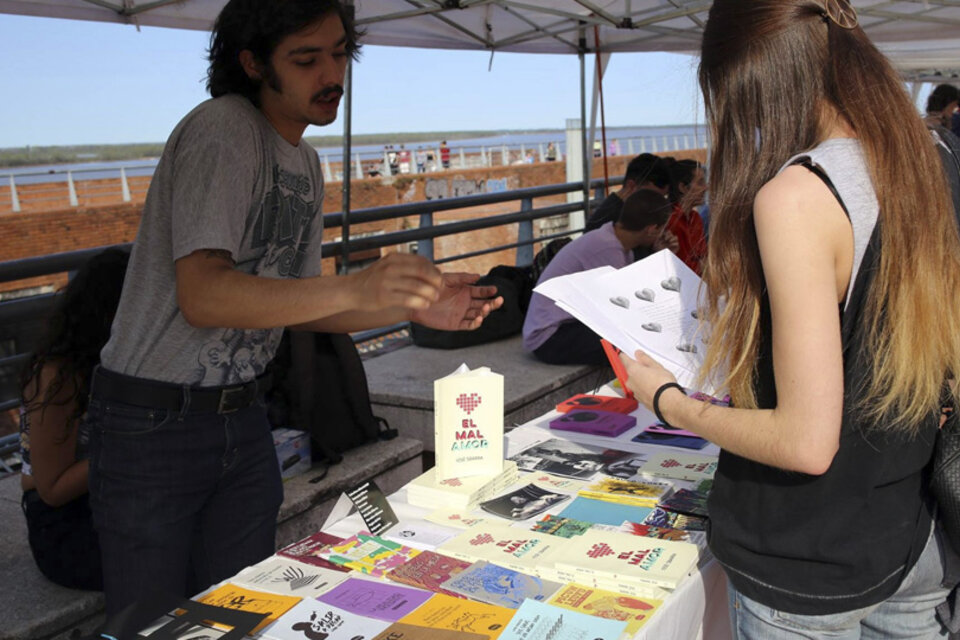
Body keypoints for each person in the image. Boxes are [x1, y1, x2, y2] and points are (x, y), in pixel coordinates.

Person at [87, 0, 502, 619]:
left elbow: (299, 303)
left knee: (239, 611)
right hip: (154, 423)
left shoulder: (305, 162)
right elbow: (203, 294)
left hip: (242, 417)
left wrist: (411, 307)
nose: (331, 74)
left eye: (339, 53)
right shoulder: (224, 127)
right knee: (150, 624)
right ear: (252, 64)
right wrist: (357, 286)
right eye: (307, 59)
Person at [620, 1, 960, 637]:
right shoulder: (929, 158)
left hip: (805, 562)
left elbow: (806, 443)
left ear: (754, 87)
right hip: (911, 537)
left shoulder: (798, 196)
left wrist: (668, 403)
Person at [19, 247, 129, 591]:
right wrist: (136, 441)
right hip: (68, 528)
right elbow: (49, 489)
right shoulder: (59, 375)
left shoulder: (110, 361)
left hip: (112, 506)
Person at [524, 190, 672, 366]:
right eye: (663, 229)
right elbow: (627, 306)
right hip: (549, 337)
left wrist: (660, 254)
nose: (665, 233)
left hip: (564, 328)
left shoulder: (616, 243)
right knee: (636, 344)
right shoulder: (607, 249)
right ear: (652, 229)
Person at [584, 153, 671, 233]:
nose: (657, 205)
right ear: (631, 186)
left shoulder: (626, 211)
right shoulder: (615, 221)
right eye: (652, 197)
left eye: (662, 198)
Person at [665, 159, 707, 274]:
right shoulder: (671, 222)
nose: (705, 188)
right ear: (683, 187)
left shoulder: (695, 218)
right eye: (700, 183)